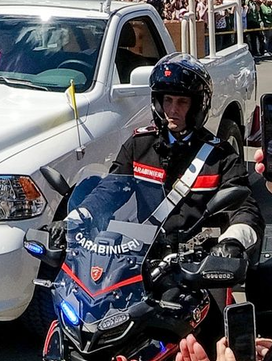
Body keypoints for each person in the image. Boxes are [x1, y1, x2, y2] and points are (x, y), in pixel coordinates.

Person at [111, 54, 262, 268]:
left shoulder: (221, 155)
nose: (173, 110)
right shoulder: (139, 145)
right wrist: (78, 217)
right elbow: (108, 191)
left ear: (197, 106)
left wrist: (233, 241)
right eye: (168, 101)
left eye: (182, 102)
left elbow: (245, 209)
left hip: (201, 262)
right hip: (143, 259)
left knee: (218, 301)